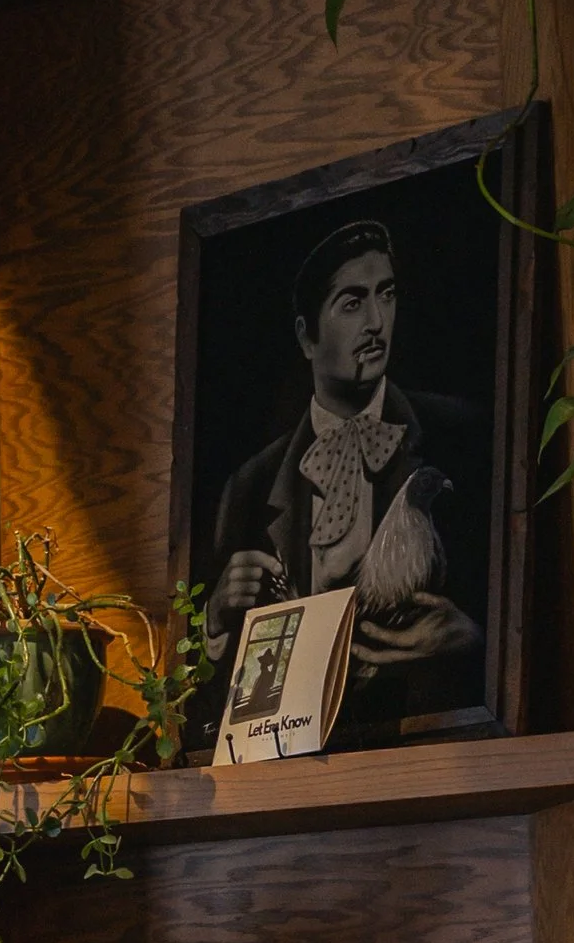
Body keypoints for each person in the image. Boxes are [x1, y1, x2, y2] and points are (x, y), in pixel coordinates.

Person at [203, 215, 482, 726]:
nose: (377, 321)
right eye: (352, 303)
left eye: (387, 294)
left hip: (429, 746)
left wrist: (469, 638)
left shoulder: (460, 433)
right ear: (306, 338)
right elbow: (211, 707)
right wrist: (215, 620)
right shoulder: (250, 485)